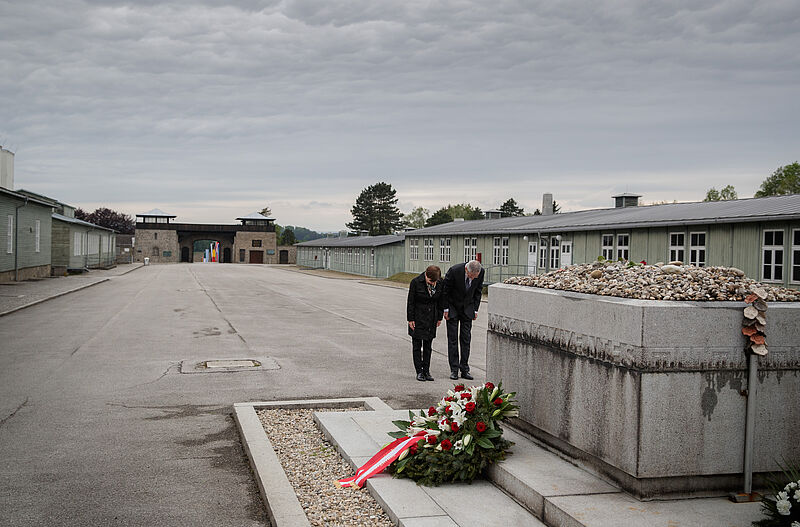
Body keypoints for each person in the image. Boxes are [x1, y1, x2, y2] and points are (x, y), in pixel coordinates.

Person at [442, 260, 485, 380]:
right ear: (467, 270)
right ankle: (454, 369)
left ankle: (465, 369)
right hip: (453, 307)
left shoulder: (480, 272)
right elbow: (446, 291)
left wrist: (475, 310)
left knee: (466, 339)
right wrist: (446, 309)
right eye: (471, 276)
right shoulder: (454, 271)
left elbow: (478, 291)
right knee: (453, 339)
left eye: (475, 277)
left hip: (468, 309)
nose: (473, 279)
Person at [407, 265, 444, 382]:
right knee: (417, 346)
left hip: (431, 318)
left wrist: (439, 317)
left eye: (435, 281)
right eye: (430, 281)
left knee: (428, 346)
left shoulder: (440, 282)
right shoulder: (416, 282)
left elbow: (441, 301)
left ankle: (426, 371)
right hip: (418, 318)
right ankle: (419, 371)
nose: (433, 283)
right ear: (426, 275)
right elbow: (410, 302)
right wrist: (410, 319)